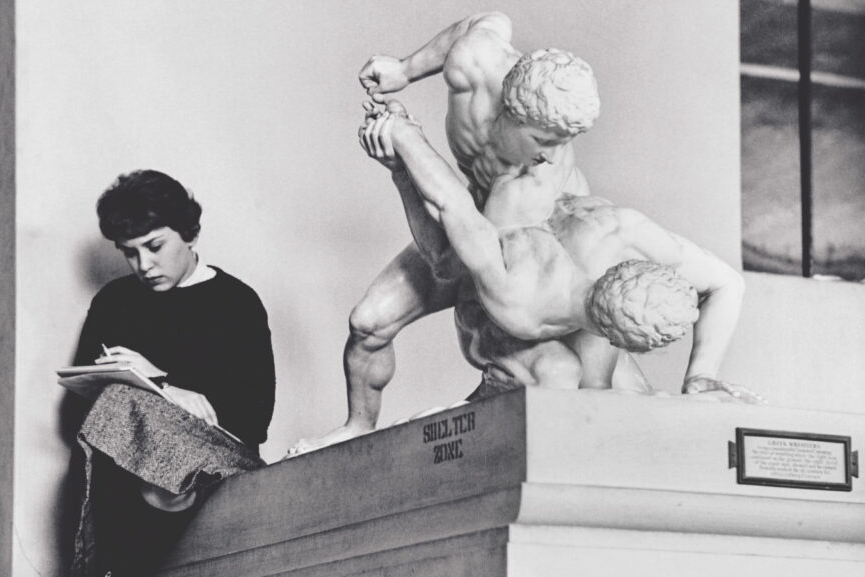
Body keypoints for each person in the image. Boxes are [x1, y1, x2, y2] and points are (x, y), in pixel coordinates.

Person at [289, 13, 610, 455]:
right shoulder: (479, 62)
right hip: (468, 216)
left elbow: (447, 258)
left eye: (564, 140)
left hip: (519, 252)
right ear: (512, 112)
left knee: (545, 376)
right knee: (368, 324)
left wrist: (403, 162)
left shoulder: (539, 184)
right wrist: (405, 69)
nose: (554, 153)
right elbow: (484, 22)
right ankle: (358, 426)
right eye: (543, 139)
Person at [354, 101, 763, 404]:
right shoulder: (524, 300)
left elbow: (728, 283)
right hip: (473, 250)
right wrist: (404, 145)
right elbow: (453, 215)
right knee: (374, 320)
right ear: (619, 341)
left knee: (606, 394)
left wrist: (702, 376)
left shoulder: (622, 233)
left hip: (494, 236)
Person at [70, 169, 275, 575]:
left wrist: (161, 383)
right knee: (114, 404)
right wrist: (161, 393)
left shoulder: (236, 303)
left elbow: (253, 422)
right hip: (129, 468)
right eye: (129, 252)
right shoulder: (114, 302)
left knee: (122, 404)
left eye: (155, 246)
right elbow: (78, 415)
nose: (144, 265)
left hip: (216, 463)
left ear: (190, 235)